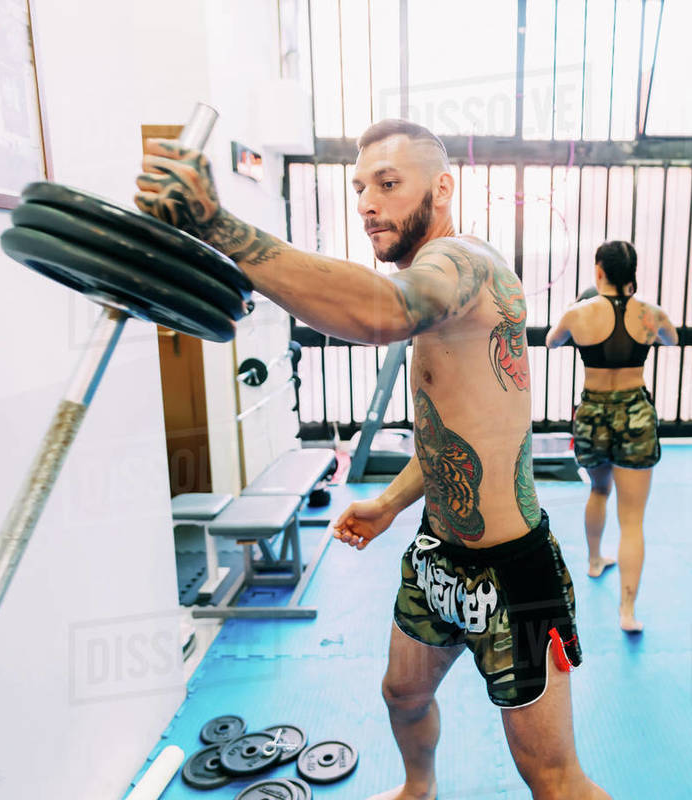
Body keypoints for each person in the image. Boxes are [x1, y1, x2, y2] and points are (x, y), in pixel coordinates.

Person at [135, 119, 608, 800]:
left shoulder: (462, 265)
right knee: (402, 694)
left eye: (388, 184)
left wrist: (218, 224)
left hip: (513, 577)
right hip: (436, 561)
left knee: (554, 779)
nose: (367, 202)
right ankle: (419, 788)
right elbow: (451, 434)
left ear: (443, 188)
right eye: (360, 187)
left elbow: (384, 310)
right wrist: (390, 503)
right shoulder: (436, 277)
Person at [545, 242, 677, 633]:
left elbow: (552, 342)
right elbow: (671, 340)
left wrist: (577, 313)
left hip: (593, 414)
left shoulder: (579, 312)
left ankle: (593, 560)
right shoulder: (650, 314)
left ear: (598, 270)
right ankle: (628, 612)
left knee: (599, 491)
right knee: (633, 520)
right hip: (635, 413)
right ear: (632, 271)